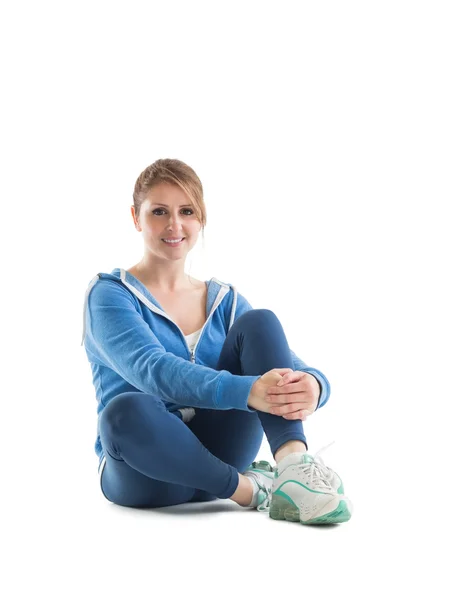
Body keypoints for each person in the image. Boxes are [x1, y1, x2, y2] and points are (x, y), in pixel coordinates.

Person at [81, 158, 353, 525]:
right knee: (123, 411)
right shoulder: (110, 295)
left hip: (223, 451)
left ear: (201, 218)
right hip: (146, 472)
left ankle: (292, 467)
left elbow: (287, 362)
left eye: (186, 211)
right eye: (159, 211)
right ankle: (252, 491)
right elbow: (153, 370)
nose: (174, 224)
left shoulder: (225, 301)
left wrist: (316, 386)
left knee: (260, 323)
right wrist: (247, 391)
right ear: (136, 218)